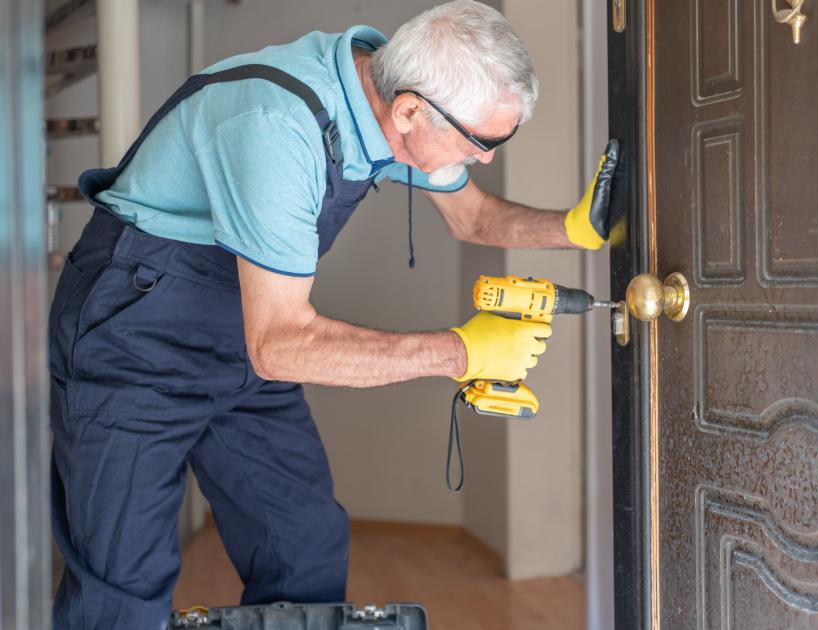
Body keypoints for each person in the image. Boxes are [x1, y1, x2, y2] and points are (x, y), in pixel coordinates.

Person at [46, 2, 619, 628]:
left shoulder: (385, 91)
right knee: (122, 584)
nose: (484, 157)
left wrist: (574, 229)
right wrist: (461, 351)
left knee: (304, 548)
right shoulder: (276, 124)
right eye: (483, 141)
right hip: (137, 333)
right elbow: (282, 344)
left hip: (242, 330)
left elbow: (474, 216)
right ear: (409, 112)